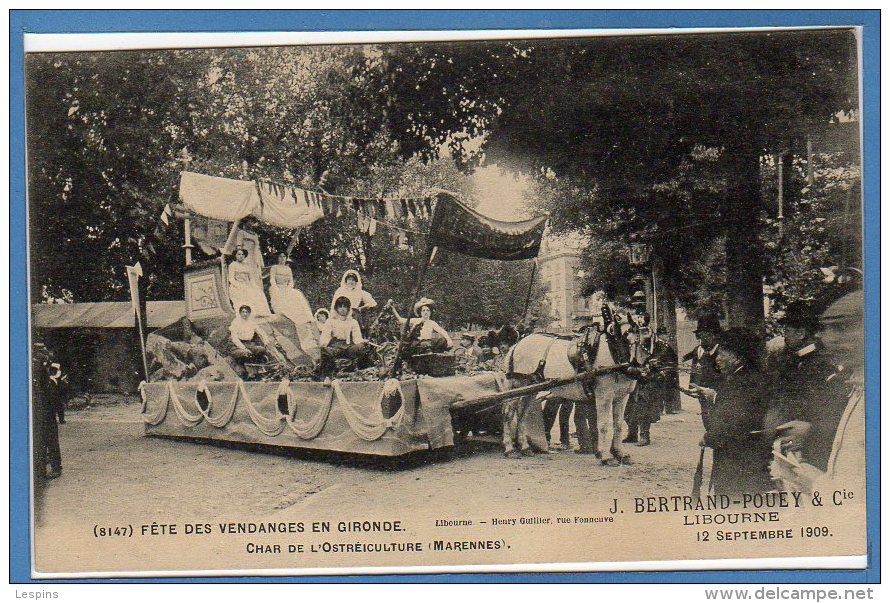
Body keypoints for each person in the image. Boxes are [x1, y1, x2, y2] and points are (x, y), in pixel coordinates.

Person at [765, 291, 864, 483]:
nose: (828, 338)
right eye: (827, 329)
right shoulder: (798, 361)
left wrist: (811, 430)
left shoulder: (822, 364)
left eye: (841, 328)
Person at [688, 329, 772, 496]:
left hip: (738, 458)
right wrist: (714, 396)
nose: (717, 359)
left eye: (722, 354)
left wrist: (709, 437)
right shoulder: (746, 376)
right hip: (746, 455)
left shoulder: (741, 380)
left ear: (737, 357)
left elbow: (733, 420)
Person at [625, 326, 678, 446]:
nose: (642, 336)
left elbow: (670, 364)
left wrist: (658, 372)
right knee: (629, 408)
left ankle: (644, 436)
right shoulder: (633, 345)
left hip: (651, 382)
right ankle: (632, 434)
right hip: (635, 379)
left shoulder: (661, 346)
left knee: (644, 408)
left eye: (645, 332)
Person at [269, 252, 318, 359]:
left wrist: (288, 287)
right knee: (280, 296)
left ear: (286, 258)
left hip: (287, 288)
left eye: (284, 257)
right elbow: (272, 279)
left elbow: (291, 280)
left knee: (296, 295)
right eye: (280, 256)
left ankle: (302, 317)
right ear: (277, 258)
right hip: (277, 287)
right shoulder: (274, 267)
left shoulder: (288, 269)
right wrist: (277, 288)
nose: (282, 258)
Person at [682, 314, 722, 429]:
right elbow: (694, 365)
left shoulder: (721, 352)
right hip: (700, 386)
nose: (700, 339)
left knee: (716, 414)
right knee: (705, 412)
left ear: (714, 335)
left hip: (715, 390)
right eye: (699, 335)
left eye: (704, 335)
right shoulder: (699, 350)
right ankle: (709, 433)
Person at [318, 296, 372, 375]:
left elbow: (357, 337)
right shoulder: (330, 321)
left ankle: (362, 371)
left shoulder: (353, 322)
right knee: (325, 352)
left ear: (348, 308)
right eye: (340, 307)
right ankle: (328, 375)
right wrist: (324, 343)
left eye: (345, 307)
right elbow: (326, 335)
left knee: (362, 348)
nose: (343, 309)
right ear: (336, 309)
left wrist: (362, 342)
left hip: (349, 346)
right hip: (336, 346)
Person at [32, 343, 62, 481]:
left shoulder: (49, 376)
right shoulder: (41, 365)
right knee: (43, 439)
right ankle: (43, 468)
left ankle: (54, 467)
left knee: (48, 438)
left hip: (46, 409)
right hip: (41, 409)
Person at [228, 247, 271, 317]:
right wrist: (239, 286)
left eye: (242, 254)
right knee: (246, 293)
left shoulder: (247, 265)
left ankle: (260, 312)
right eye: (239, 254)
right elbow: (231, 279)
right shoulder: (232, 265)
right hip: (236, 286)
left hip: (247, 284)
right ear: (235, 255)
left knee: (258, 292)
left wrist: (254, 286)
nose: (241, 256)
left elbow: (251, 278)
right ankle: (249, 313)